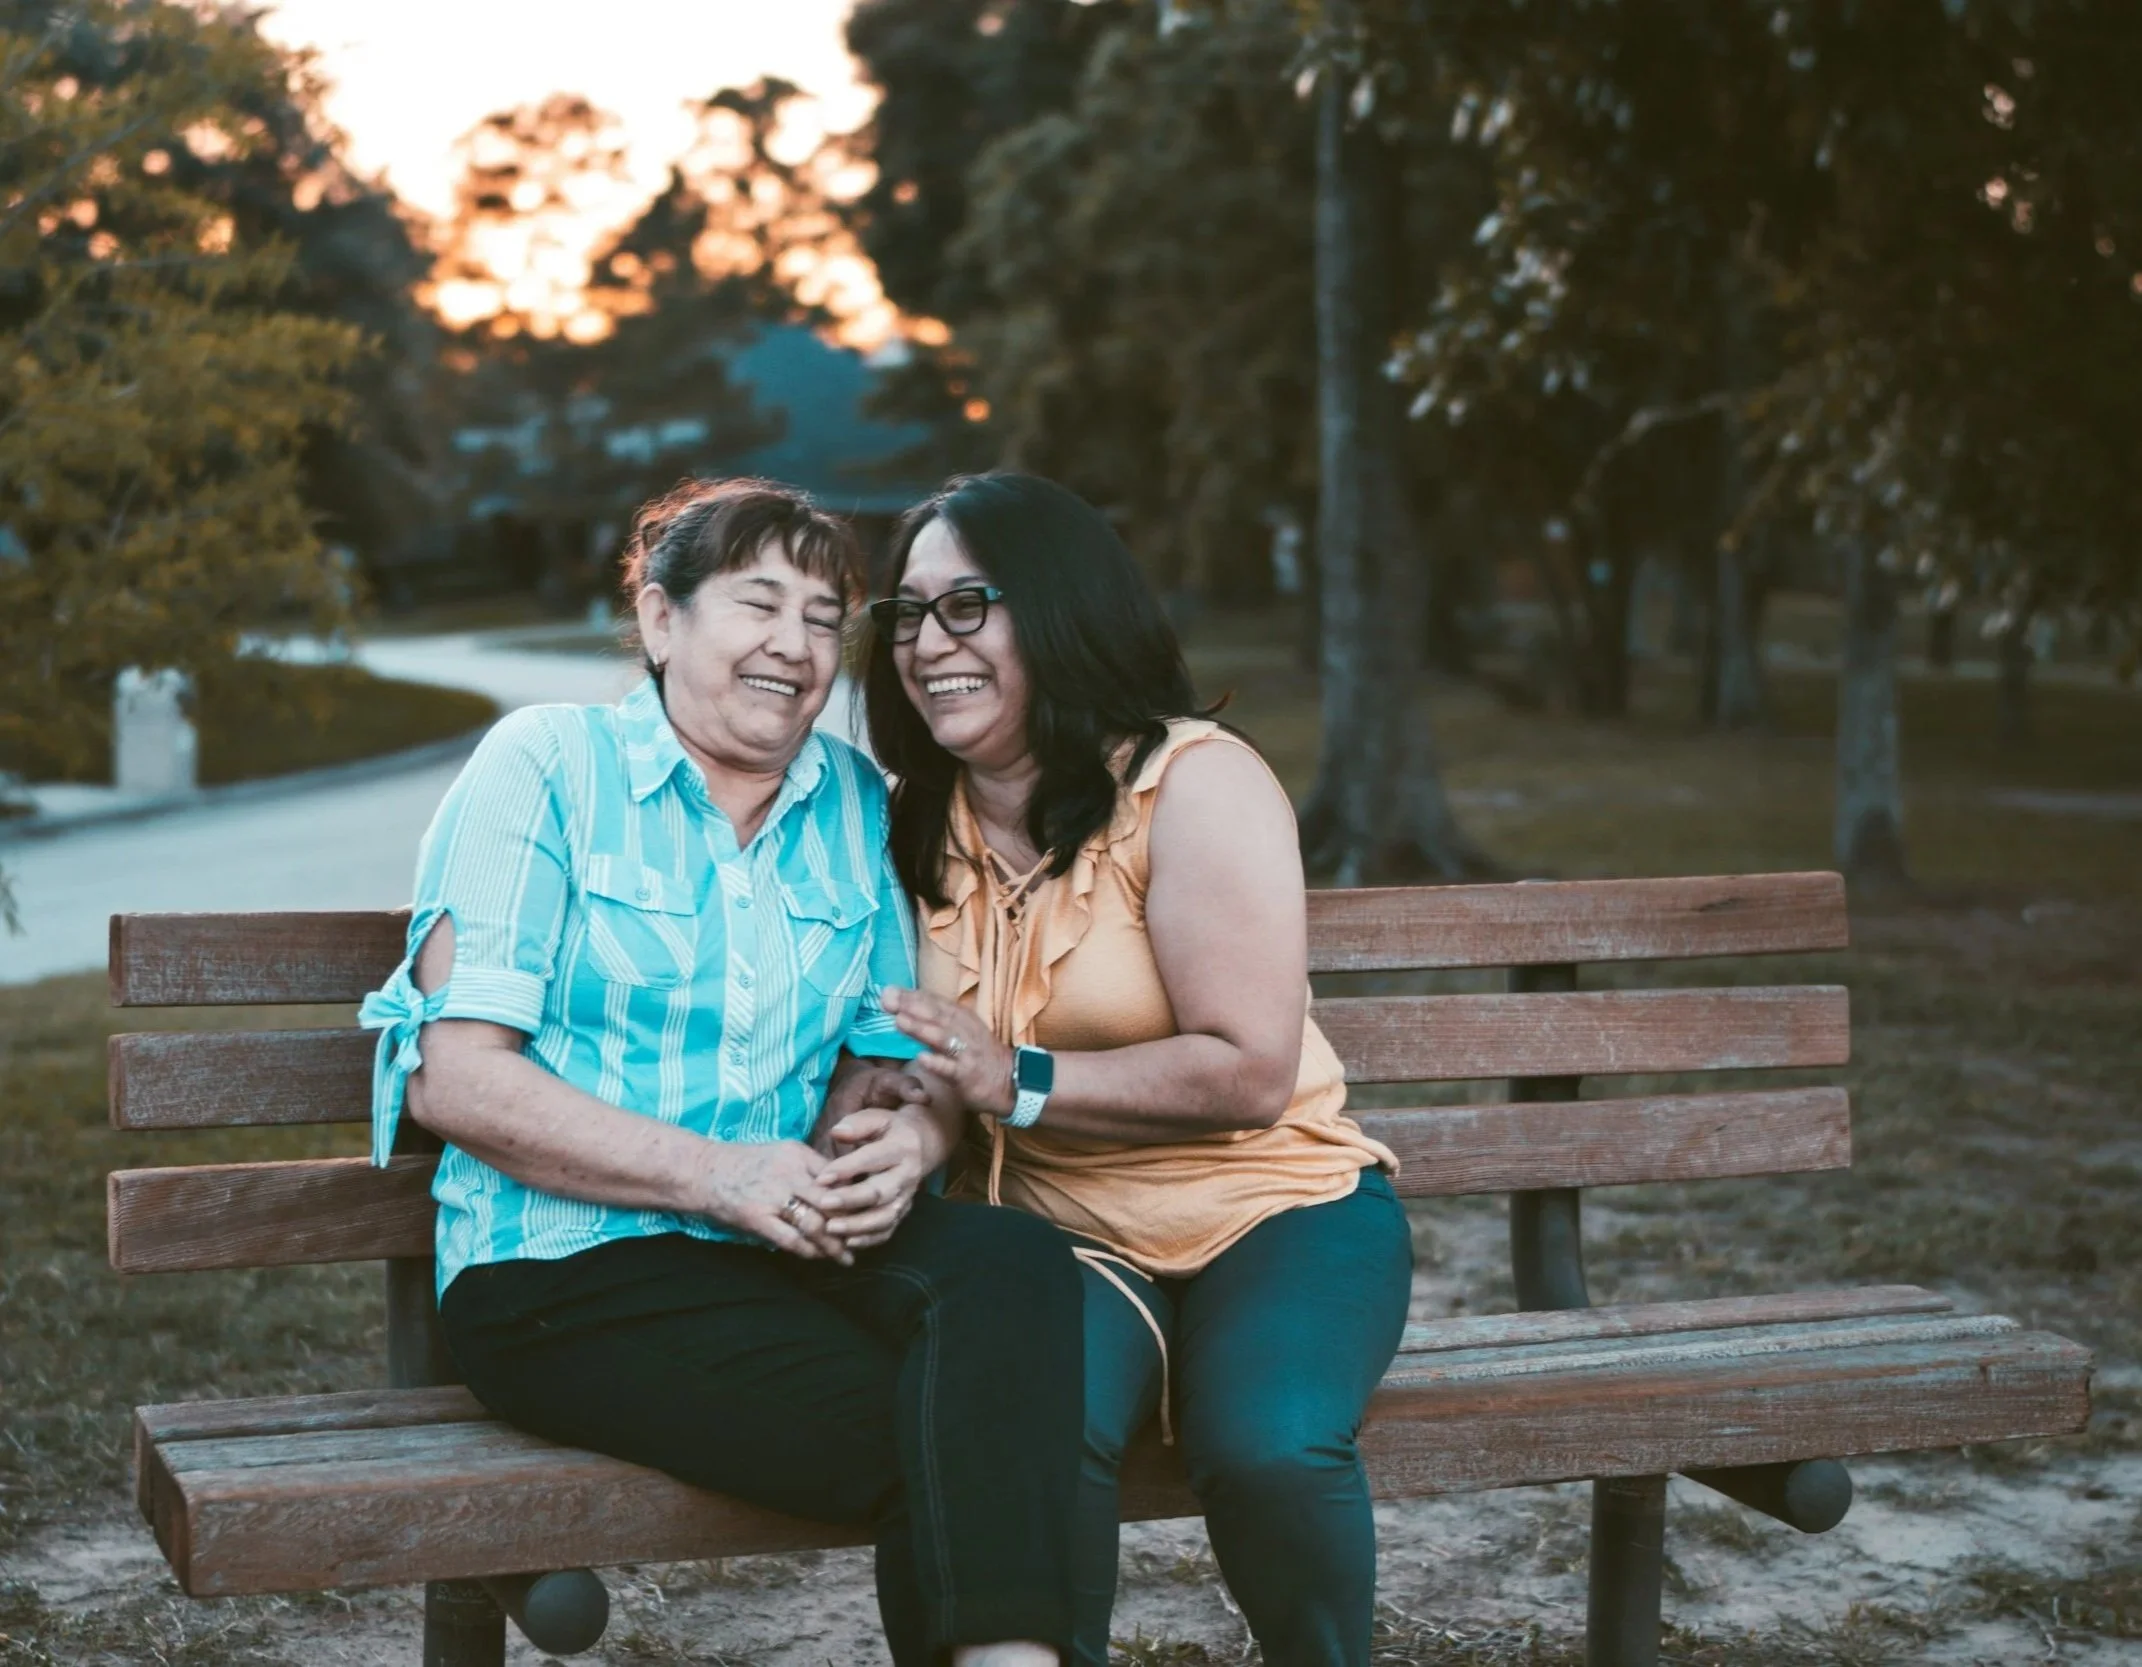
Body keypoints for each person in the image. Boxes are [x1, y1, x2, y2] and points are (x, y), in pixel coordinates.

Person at [359, 478, 1081, 1667]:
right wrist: (713, 1174)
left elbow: (884, 1055)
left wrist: (903, 1137)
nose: (795, 646)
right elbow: (456, 1078)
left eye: (821, 615)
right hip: (561, 1277)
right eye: (759, 603)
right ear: (659, 621)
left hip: (779, 1249)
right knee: (954, 1435)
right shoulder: (546, 766)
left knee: (1011, 1262)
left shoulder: (854, 802)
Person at [860, 473, 1415, 1667]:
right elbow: (919, 1056)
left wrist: (1021, 1079)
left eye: (969, 605)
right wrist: (907, 1120)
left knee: (1267, 1440)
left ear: (1059, 610)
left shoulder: (1193, 781)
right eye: (907, 613)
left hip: (1277, 1211)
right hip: (1058, 1235)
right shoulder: (909, 820)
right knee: (1021, 1436)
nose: (927, 644)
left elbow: (1250, 1067)